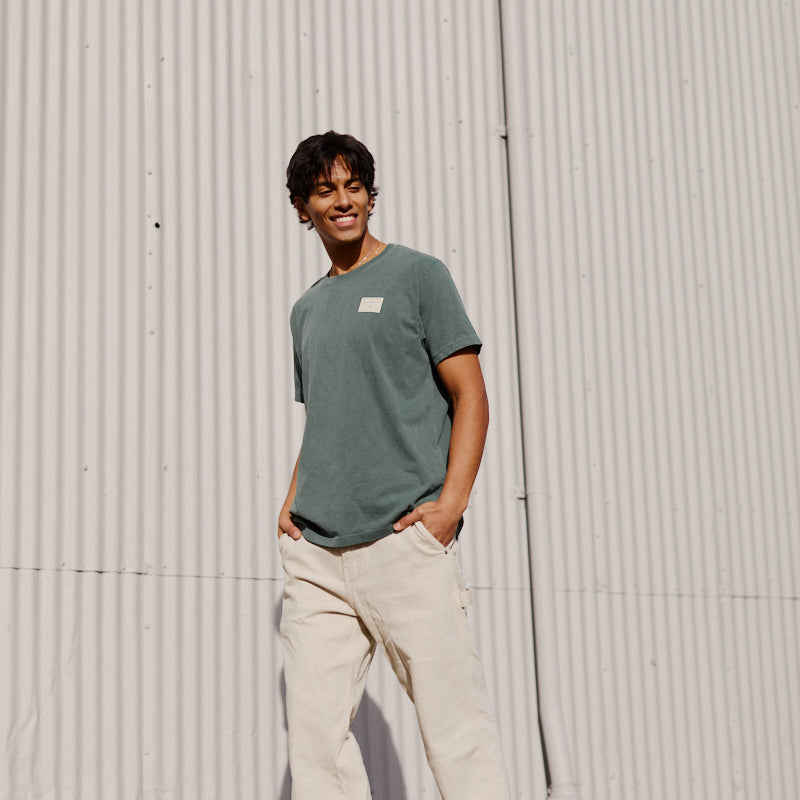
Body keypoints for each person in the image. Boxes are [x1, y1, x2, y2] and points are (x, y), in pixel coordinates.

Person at [277, 131, 510, 800]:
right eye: (326, 191)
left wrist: (450, 507)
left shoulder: (418, 276)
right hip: (317, 556)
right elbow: (329, 415)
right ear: (302, 208)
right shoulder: (306, 310)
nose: (343, 201)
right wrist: (291, 505)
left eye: (354, 187)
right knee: (316, 744)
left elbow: (471, 396)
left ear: (371, 197)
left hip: (403, 543)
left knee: (455, 729)